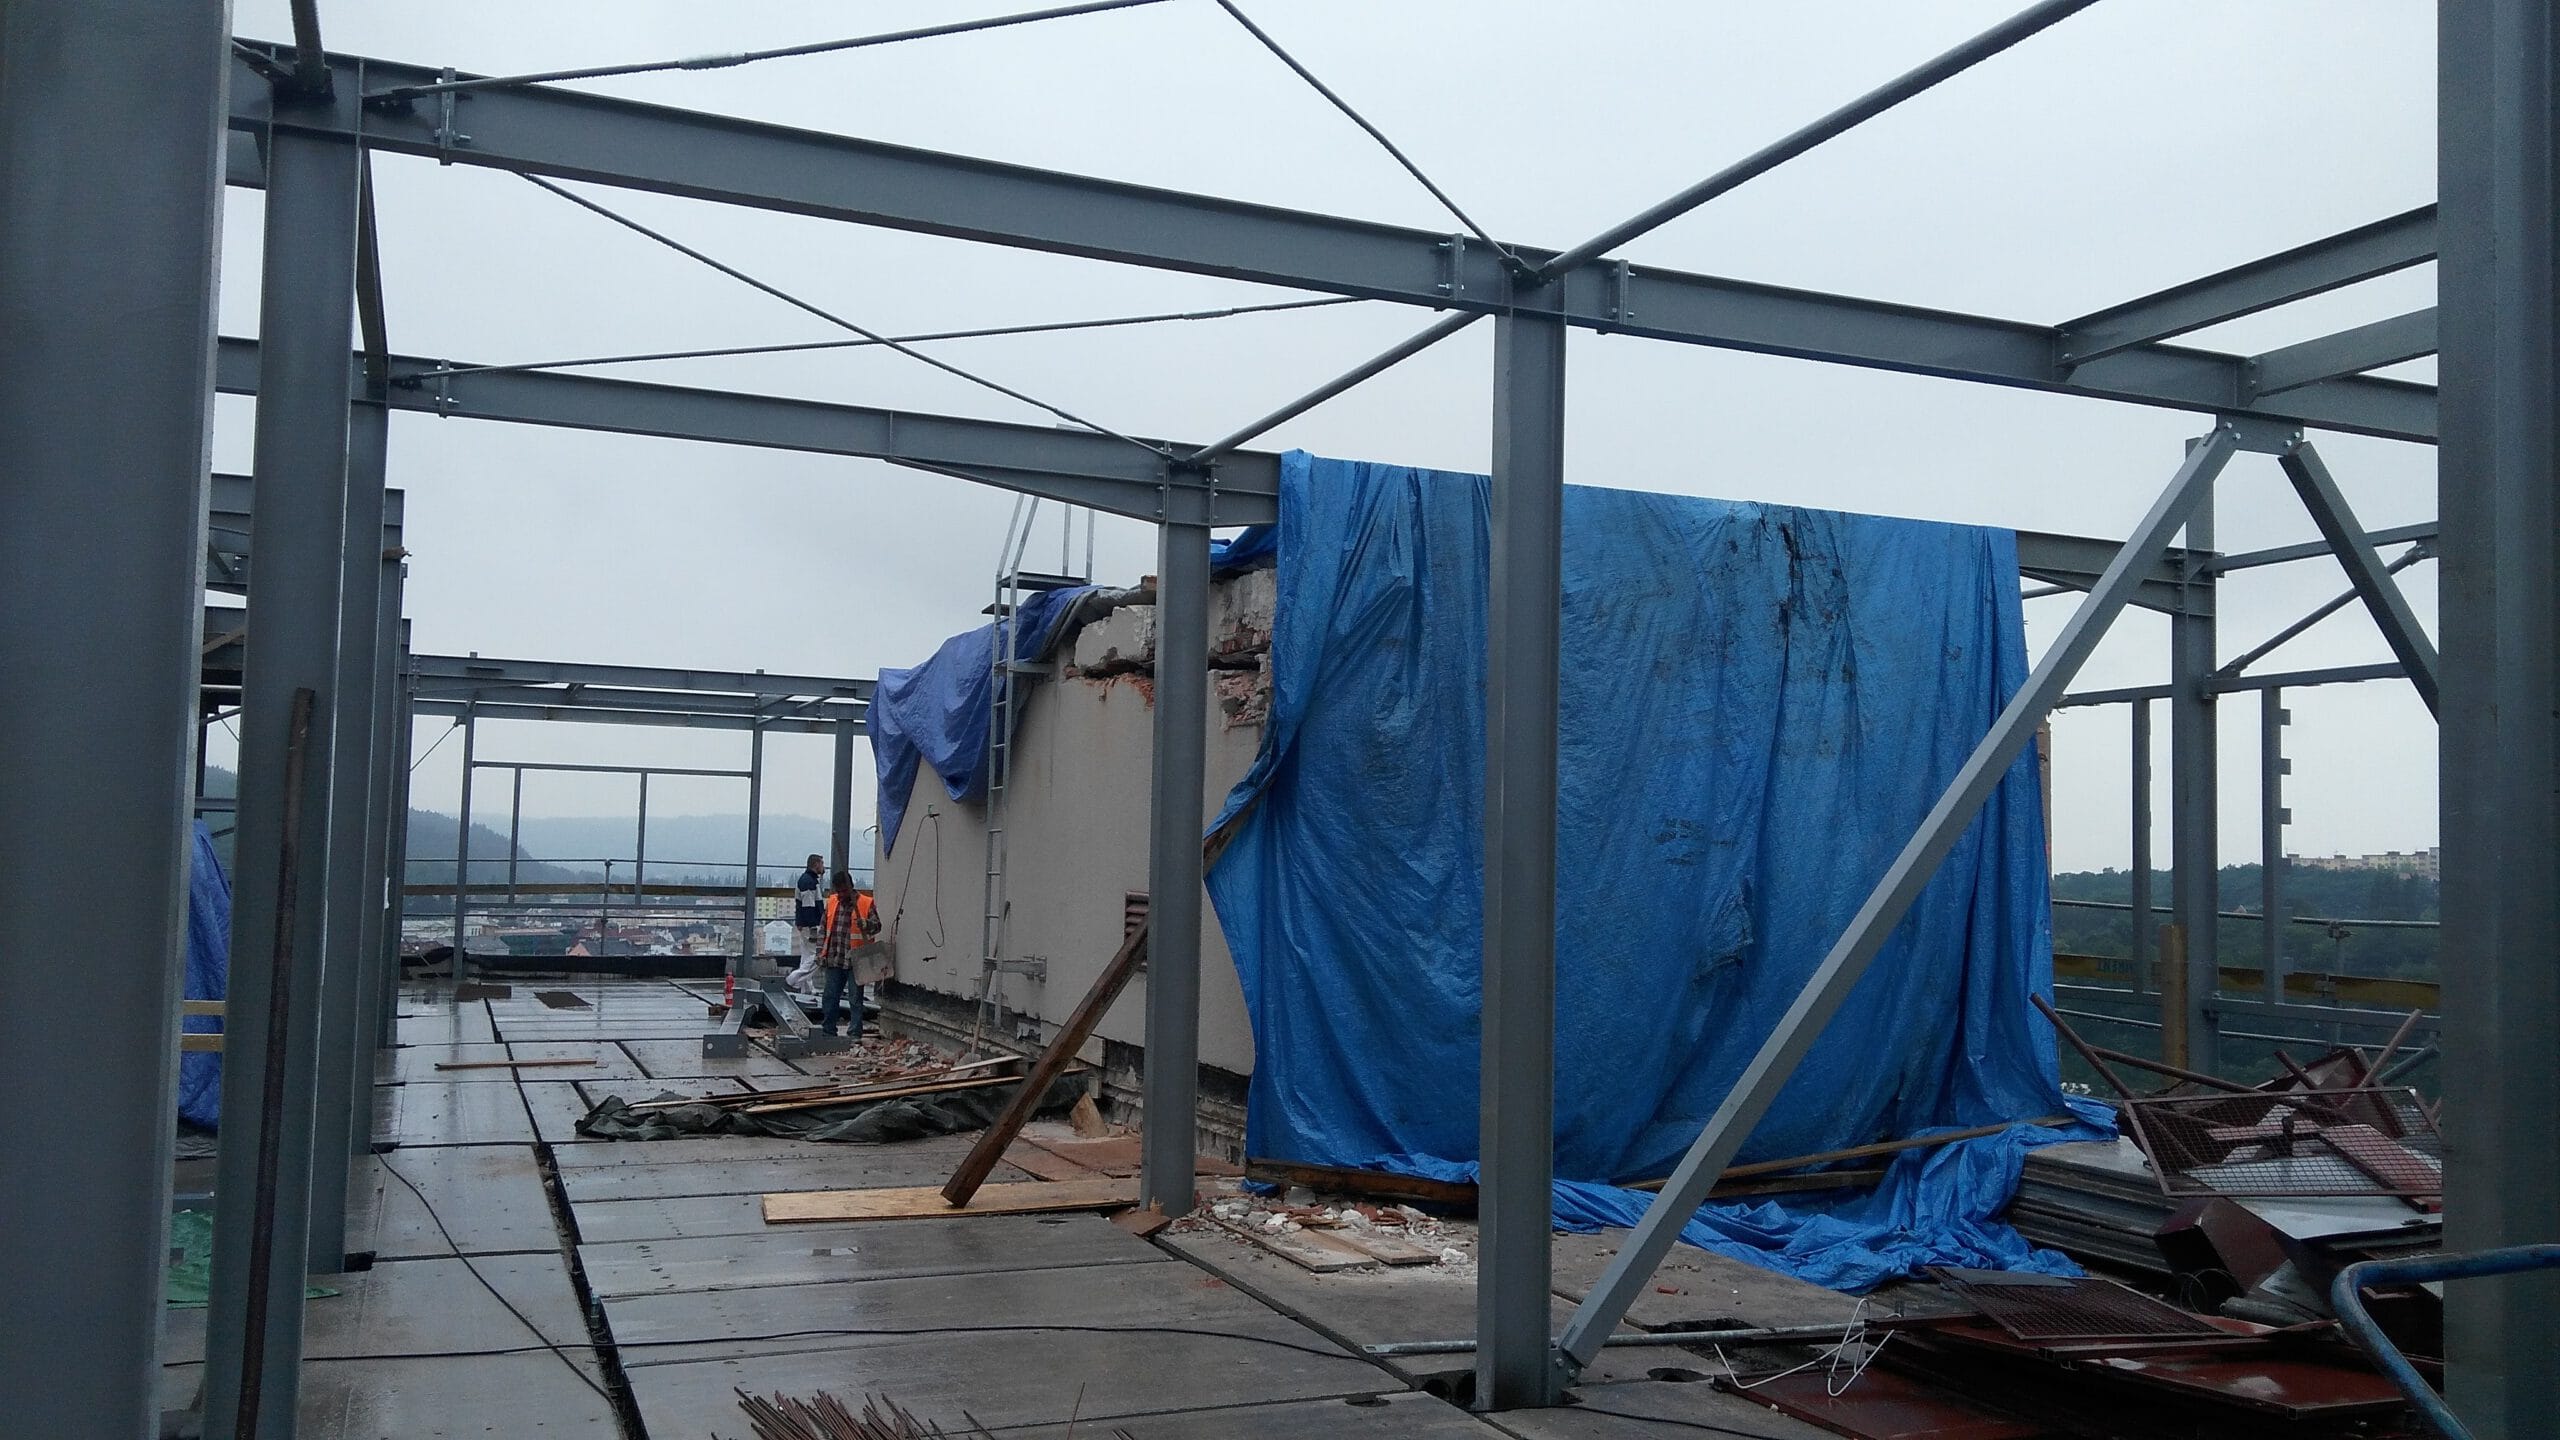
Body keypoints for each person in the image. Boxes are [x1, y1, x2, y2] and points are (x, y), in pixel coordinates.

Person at [813, 869, 872, 1037]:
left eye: (843, 891)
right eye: (838, 891)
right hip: (834, 958)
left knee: (855, 999)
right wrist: (820, 953)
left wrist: (867, 924)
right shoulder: (833, 902)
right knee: (830, 997)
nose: (840, 895)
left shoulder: (865, 903)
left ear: (850, 887)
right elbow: (823, 929)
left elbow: (877, 926)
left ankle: (854, 1033)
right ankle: (828, 1031)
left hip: (856, 961)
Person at [785, 853, 825, 991]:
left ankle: (804, 988)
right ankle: (793, 980)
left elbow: (804, 906)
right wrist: (814, 927)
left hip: (805, 925)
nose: (823, 867)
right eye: (822, 863)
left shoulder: (806, 880)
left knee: (806, 956)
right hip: (811, 926)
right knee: (817, 955)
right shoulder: (809, 882)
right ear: (816, 864)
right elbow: (809, 906)